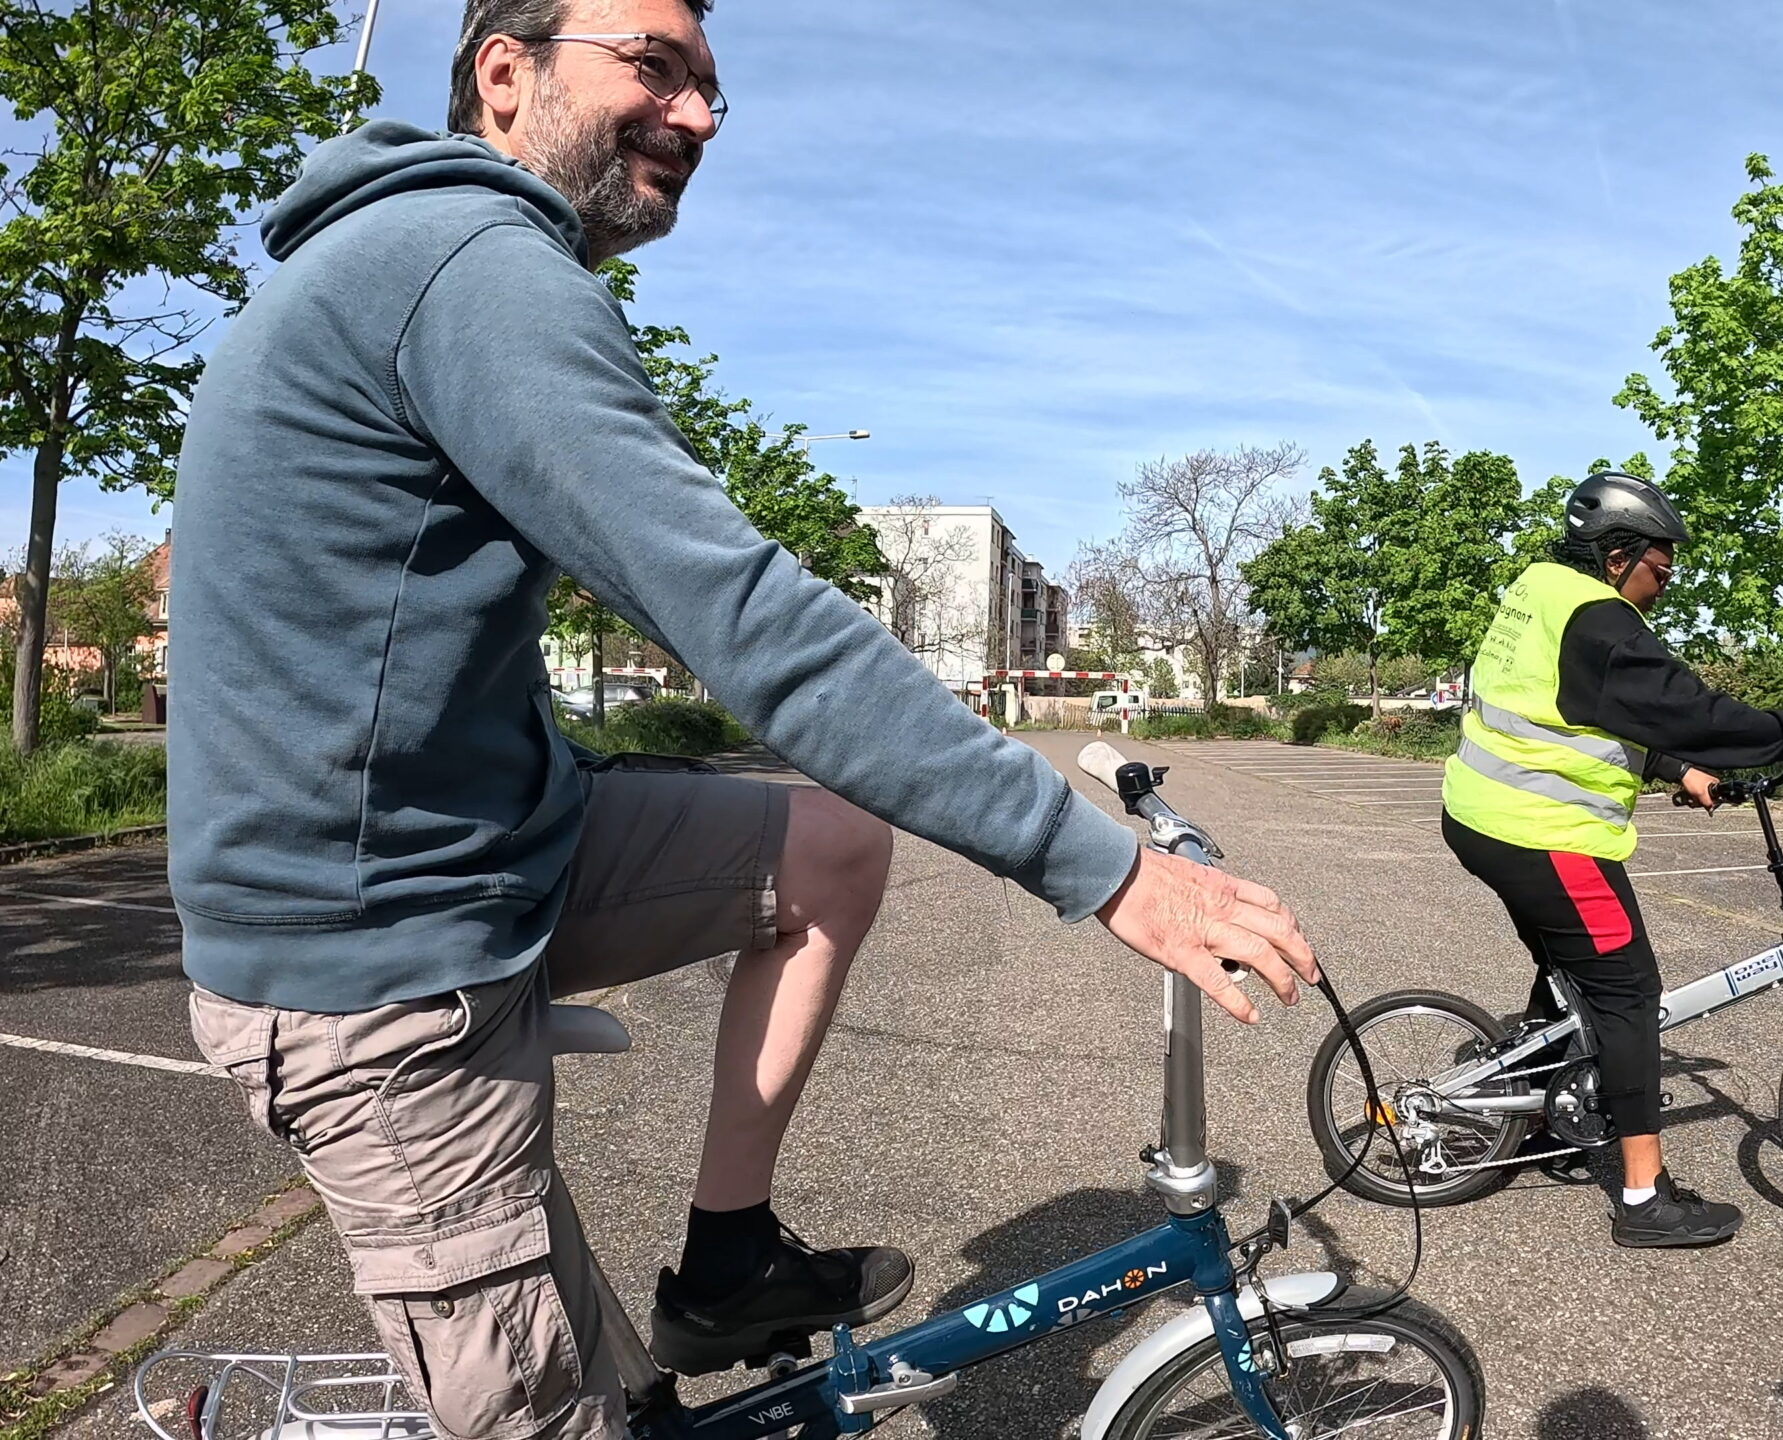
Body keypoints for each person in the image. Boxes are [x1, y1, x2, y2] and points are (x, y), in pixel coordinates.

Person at [167, 3, 1317, 1436]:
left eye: (711, 86)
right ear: (505, 73)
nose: (699, 115)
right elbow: (747, 620)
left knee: (829, 845)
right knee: (569, 1416)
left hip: (493, 846)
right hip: (376, 953)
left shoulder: (441, 261)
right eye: (655, 65)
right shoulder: (470, 269)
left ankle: (726, 1266)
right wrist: (1107, 871)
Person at [1439, 470, 1783, 1248]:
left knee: (1574, 973)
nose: (1663, 585)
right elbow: (1690, 710)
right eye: (1660, 570)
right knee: (1629, 990)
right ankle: (1641, 1197)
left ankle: (1533, 1107)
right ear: (1619, 553)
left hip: (1483, 816)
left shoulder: (1542, 588)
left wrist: (1672, 768)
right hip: (1543, 833)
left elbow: (1574, 705)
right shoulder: (1600, 620)